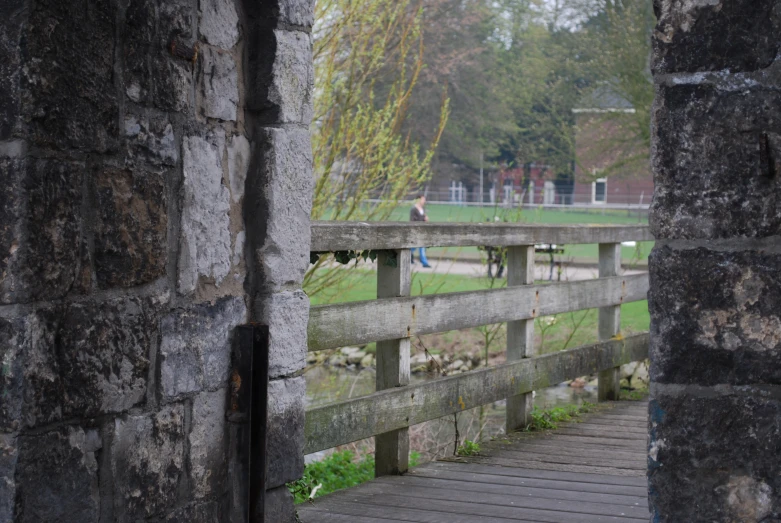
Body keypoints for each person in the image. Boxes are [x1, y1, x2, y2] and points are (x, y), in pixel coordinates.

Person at [409, 194, 431, 268]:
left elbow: (423, 218)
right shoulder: (413, 209)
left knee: (420, 246)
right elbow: (412, 220)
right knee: (416, 246)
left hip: (422, 231)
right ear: (418, 200)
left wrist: (426, 219)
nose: (424, 201)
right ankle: (423, 261)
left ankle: (423, 261)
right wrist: (422, 219)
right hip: (416, 231)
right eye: (423, 199)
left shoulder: (423, 209)